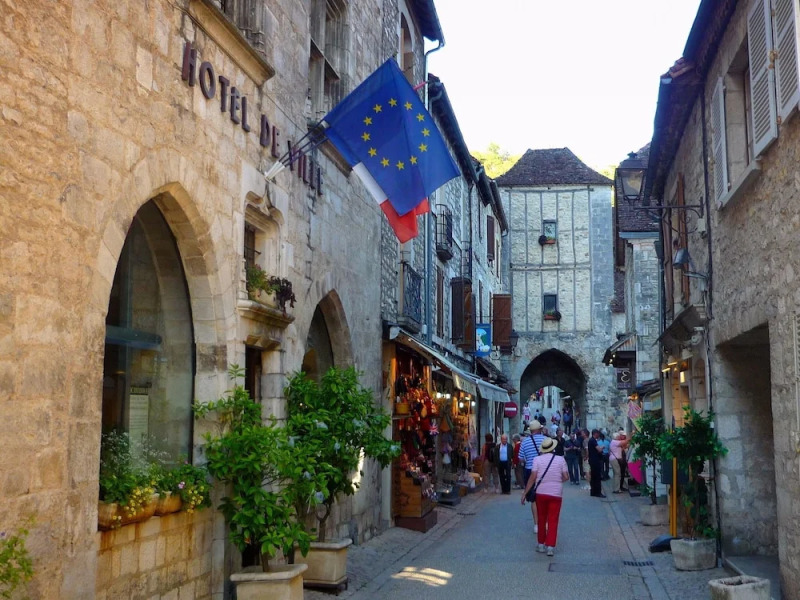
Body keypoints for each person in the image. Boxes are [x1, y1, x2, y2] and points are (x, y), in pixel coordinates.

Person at [520, 436, 569, 556]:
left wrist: (525, 493)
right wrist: (557, 481)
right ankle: (550, 547)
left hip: (541, 493)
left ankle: (541, 544)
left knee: (541, 518)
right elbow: (566, 476)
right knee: (553, 520)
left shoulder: (537, 460)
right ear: (553, 448)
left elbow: (533, 477)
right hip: (556, 493)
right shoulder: (560, 460)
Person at [518, 420, 546, 533]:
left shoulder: (525, 442)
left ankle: (536, 524)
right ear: (539, 429)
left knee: (533, 498)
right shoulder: (545, 440)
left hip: (530, 470)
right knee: (544, 496)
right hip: (543, 470)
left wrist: (527, 461)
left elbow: (521, 459)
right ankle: (544, 522)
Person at [588, 429, 606, 498]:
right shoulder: (593, 441)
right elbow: (599, 450)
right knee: (597, 477)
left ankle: (593, 491)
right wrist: (602, 447)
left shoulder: (592, 440)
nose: (598, 435)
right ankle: (598, 492)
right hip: (595, 461)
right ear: (595, 433)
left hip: (593, 460)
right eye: (598, 434)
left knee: (593, 477)